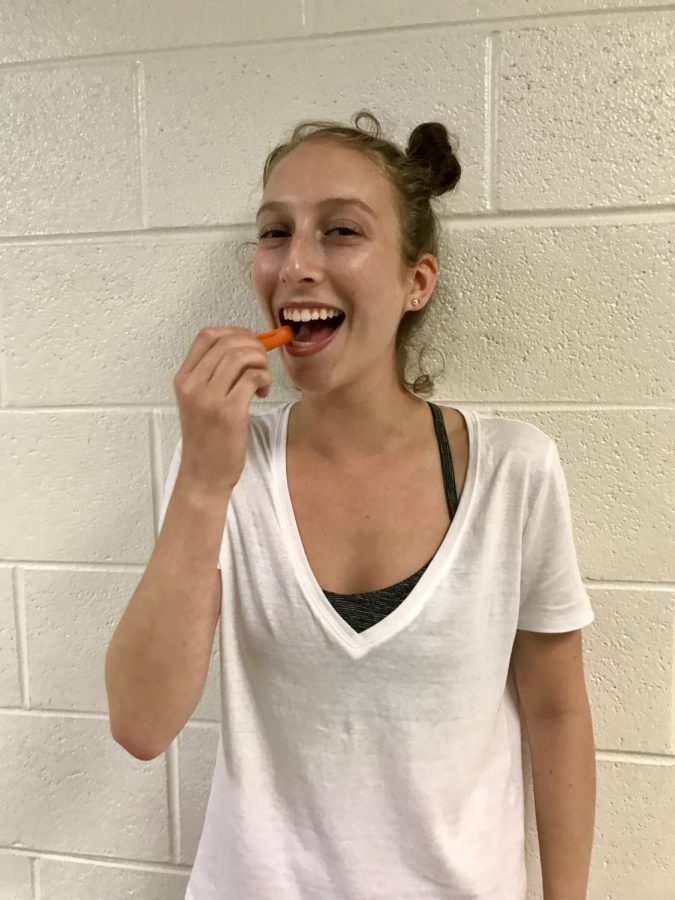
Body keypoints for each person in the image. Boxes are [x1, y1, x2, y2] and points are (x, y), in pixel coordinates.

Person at [105, 111, 596, 899]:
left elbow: (557, 713)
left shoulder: (514, 472)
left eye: (340, 232)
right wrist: (201, 481)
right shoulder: (223, 466)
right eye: (275, 233)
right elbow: (139, 725)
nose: (296, 263)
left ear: (415, 282)